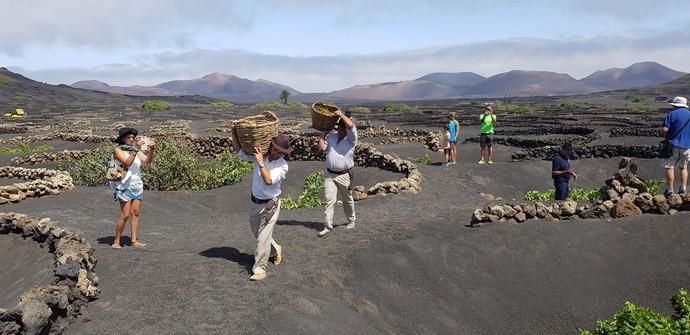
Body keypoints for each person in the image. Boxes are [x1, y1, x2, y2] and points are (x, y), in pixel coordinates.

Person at [230, 125, 291, 281]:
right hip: (254, 203)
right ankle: (276, 249)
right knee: (258, 234)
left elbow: (269, 180)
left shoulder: (282, 166)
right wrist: (233, 132)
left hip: (271, 205)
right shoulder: (260, 156)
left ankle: (259, 269)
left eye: (281, 152)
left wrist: (261, 163)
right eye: (275, 150)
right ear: (271, 146)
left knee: (262, 237)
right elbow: (239, 152)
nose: (277, 154)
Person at [110, 127, 155, 249]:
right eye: (128, 137)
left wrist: (151, 149)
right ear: (122, 138)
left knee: (135, 213)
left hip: (137, 184)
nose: (131, 139)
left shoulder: (135, 150)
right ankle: (116, 241)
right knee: (125, 214)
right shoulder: (118, 150)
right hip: (123, 185)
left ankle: (134, 240)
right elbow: (127, 163)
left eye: (133, 137)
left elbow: (147, 161)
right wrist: (135, 149)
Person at [316, 110, 357, 237]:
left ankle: (351, 220)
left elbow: (351, 126)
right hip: (330, 174)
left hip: (344, 175)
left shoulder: (351, 138)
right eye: (338, 128)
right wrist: (323, 134)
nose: (339, 131)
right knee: (329, 200)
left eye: (341, 129)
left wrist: (340, 114)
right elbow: (322, 148)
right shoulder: (332, 136)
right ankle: (328, 226)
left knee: (347, 200)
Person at [659, 96, 690, 195]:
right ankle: (683, 188)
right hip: (687, 146)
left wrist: (660, 130)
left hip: (673, 145)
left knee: (669, 167)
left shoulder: (671, 114)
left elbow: (665, 130)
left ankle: (670, 190)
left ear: (675, 105)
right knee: (683, 167)